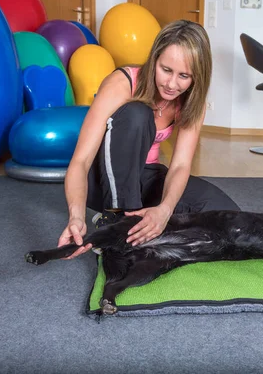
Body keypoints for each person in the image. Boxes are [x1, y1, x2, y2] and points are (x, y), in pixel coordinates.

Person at [58, 19, 240, 259]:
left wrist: (164, 210)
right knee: (137, 113)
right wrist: (76, 216)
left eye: (184, 76)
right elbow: (81, 161)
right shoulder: (122, 83)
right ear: (154, 59)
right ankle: (116, 220)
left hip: (144, 176)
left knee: (232, 221)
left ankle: (142, 219)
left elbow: (181, 165)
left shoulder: (192, 102)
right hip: (102, 179)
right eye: (166, 70)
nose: (172, 84)